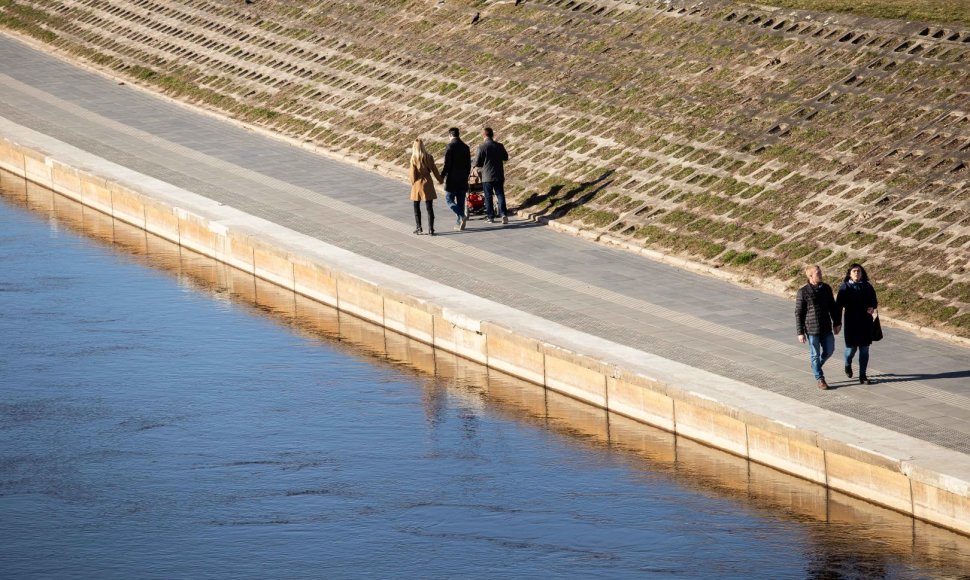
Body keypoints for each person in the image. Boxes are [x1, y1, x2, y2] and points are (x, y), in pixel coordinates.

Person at [795, 264, 841, 390]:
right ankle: (820, 378)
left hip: (826, 326)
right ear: (810, 276)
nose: (821, 275)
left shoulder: (826, 288)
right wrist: (800, 332)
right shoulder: (803, 292)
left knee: (829, 350)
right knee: (814, 354)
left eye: (820, 272)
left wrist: (837, 323)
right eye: (818, 273)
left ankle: (816, 366)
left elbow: (832, 307)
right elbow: (799, 313)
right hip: (811, 329)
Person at [836, 263, 879, 385]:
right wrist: (837, 323)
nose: (856, 273)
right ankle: (847, 363)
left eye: (859, 271)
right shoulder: (845, 287)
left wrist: (872, 307)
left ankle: (863, 375)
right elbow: (838, 306)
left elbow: (874, 301)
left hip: (865, 322)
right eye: (854, 271)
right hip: (851, 323)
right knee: (851, 349)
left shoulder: (867, 286)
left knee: (864, 350)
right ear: (849, 274)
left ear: (862, 273)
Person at [474, 127, 509, 224]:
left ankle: (490, 217)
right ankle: (504, 215)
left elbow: (477, 162)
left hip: (486, 176)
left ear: (483, 135)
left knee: (488, 196)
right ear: (492, 134)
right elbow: (505, 157)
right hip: (499, 175)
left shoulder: (481, 147)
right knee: (500, 194)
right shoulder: (499, 146)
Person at [440, 127, 471, 231]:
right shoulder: (465, 147)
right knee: (461, 201)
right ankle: (459, 223)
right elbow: (468, 165)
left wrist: (442, 175)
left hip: (452, 179)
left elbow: (447, 164)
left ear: (450, 135)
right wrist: (466, 176)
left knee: (449, 199)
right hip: (463, 178)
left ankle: (462, 216)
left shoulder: (450, 146)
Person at [409, 139, 442, 236]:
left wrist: (412, 182)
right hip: (428, 183)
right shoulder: (429, 157)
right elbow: (435, 170)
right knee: (429, 207)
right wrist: (440, 180)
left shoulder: (413, 159)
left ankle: (419, 227)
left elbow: (412, 174)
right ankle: (431, 229)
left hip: (417, 183)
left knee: (416, 206)